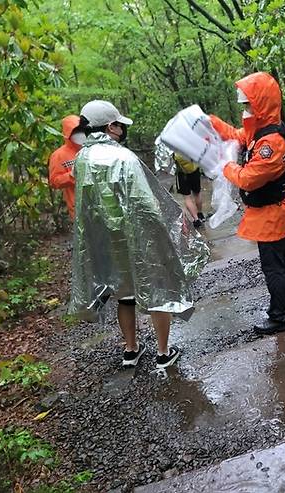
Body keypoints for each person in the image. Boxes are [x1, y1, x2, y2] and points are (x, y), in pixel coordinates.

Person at [68, 100, 210, 369]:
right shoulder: (124, 158)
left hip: (106, 243)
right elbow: (146, 203)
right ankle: (163, 352)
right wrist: (169, 226)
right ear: (111, 127)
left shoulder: (82, 160)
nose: (122, 129)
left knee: (125, 295)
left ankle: (131, 349)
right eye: (119, 125)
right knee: (157, 289)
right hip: (137, 237)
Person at [209, 72, 285, 336]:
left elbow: (249, 179)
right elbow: (238, 135)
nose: (246, 110)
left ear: (260, 104)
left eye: (248, 105)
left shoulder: (270, 142)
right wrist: (212, 123)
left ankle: (279, 315)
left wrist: (225, 166)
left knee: (274, 265)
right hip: (275, 208)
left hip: (271, 213)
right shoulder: (264, 129)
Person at [48, 115, 85, 220]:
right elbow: (54, 181)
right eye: (75, 131)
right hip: (78, 207)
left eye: (81, 130)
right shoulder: (59, 155)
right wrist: (72, 175)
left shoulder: (92, 148)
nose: (79, 134)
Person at [174, 153, 206, 228]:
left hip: (182, 174)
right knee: (197, 193)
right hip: (194, 170)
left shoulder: (174, 145)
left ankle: (196, 219)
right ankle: (200, 214)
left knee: (187, 197)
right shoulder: (190, 143)